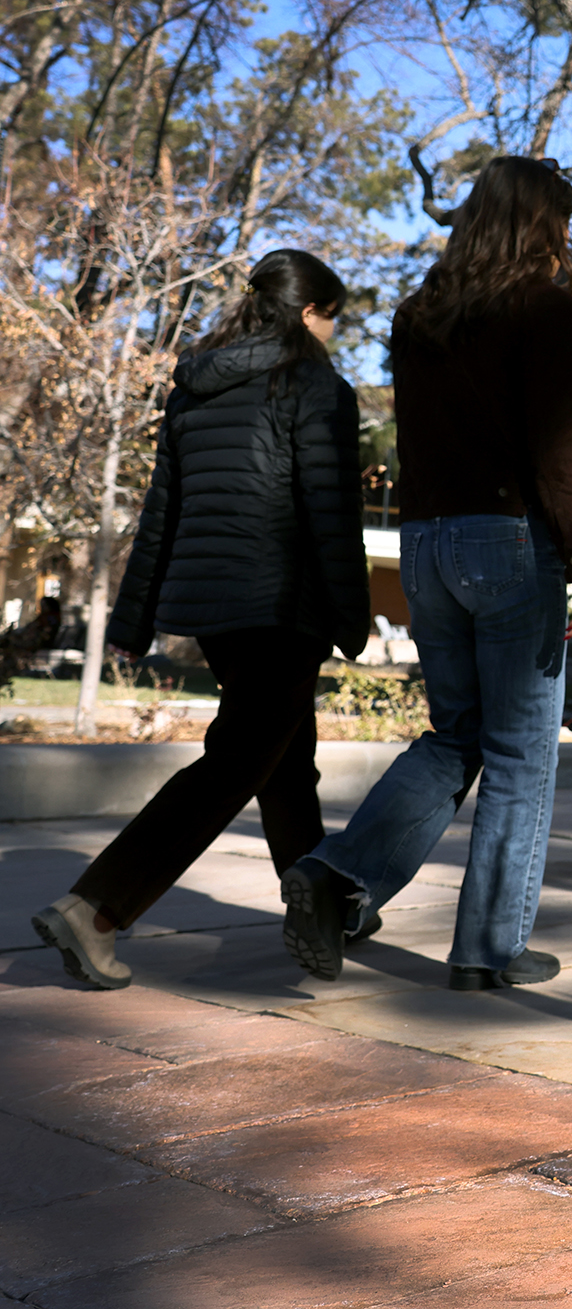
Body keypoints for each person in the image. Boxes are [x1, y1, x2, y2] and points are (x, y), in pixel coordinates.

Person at [278, 155, 572, 992]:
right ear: (540, 220)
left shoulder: (417, 313)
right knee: (521, 756)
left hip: (426, 546)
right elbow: (556, 448)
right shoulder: (542, 302)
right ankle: (490, 950)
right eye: (562, 219)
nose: (568, 235)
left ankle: (331, 873)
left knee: (455, 736)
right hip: (507, 544)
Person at [31, 250, 369, 990]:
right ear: (310, 314)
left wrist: (135, 617)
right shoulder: (317, 385)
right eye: (333, 319)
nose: (334, 335)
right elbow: (330, 513)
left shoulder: (193, 389)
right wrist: (353, 617)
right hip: (283, 606)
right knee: (236, 764)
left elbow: (161, 515)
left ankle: (324, 902)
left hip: (212, 610)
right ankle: (96, 909)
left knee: (282, 761)